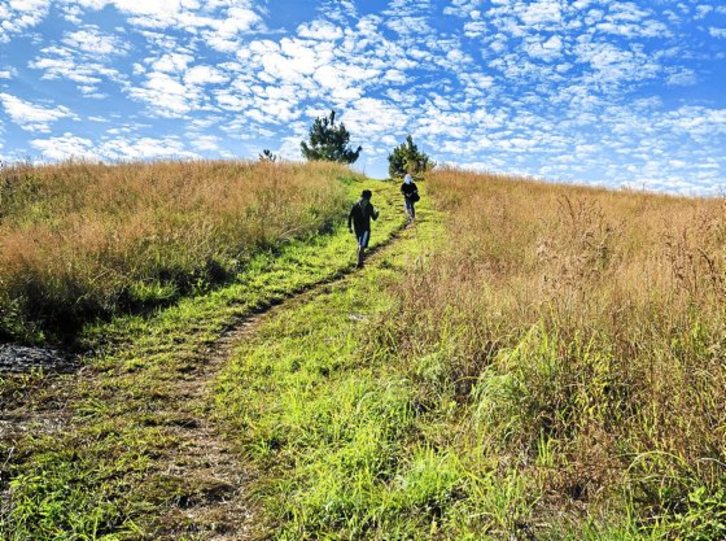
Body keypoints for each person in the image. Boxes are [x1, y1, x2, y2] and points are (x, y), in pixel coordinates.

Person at [348, 189, 379, 268]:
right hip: (365, 229)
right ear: (369, 197)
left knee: (360, 244)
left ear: (361, 196)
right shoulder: (369, 205)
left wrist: (350, 227)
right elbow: (374, 218)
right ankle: (359, 264)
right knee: (361, 246)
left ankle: (358, 260)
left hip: (356, 228)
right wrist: (377, 213)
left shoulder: (356, 204)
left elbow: (350, 216)